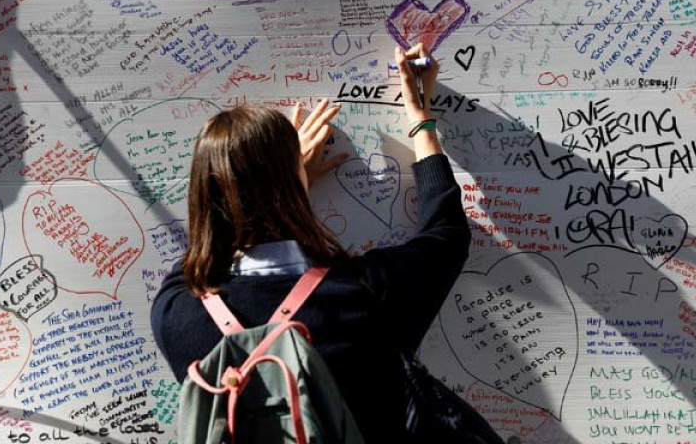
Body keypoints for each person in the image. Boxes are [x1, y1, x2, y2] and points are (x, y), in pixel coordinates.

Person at [150, 43, 470, 443]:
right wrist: (421, 119)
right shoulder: (365, 294)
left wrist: (282, 186)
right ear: (290, 182)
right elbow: (447, 233)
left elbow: (202, 255)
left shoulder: (177, 313)